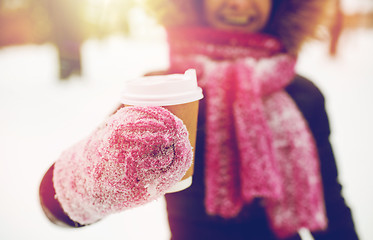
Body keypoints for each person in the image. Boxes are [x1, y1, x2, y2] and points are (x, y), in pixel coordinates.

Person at [39, 0, 360, 239]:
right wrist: (101, 173)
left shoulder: (303, 94)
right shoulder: (160, 92)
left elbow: (331, 203)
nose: (239, 4)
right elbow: (57, 206)